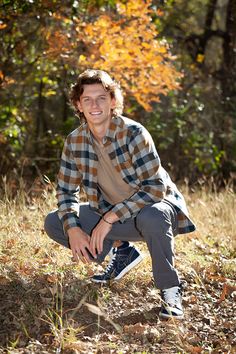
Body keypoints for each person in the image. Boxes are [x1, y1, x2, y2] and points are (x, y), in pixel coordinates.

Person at [44, 69, 196, 319]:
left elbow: (155, 189)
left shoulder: (134, 133)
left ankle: (170, 289)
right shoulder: (74, 142)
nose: (94, 105)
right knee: (54, 221)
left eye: (101, 98)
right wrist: (73, 229)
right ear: (78, 105)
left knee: (153, 216)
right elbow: (65, 191)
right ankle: (121, 250)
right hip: (110, 214)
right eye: (87, 99)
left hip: (151, 210)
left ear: (113, 101)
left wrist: (109, 219)